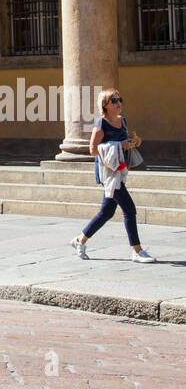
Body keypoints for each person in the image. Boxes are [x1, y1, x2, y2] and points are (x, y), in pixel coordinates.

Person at [71, 89, 156, 262]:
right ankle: (137, 251)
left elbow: (123, 141)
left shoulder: (122, 121)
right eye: (114, 100)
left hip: (119, 169)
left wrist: (133, 142)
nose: (119, 103)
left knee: (106, 212)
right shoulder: (100, 123)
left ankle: (80, 240)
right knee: (129, 209)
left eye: (120, 99)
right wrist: (118, 145)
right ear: (105, 105)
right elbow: (93, 149)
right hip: (108, 173)